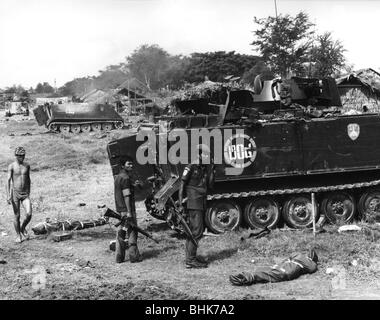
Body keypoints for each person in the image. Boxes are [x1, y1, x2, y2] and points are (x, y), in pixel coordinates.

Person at [178, 144, 215, 269]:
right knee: (197, 232)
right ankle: (191, 260)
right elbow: (182, 185)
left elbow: (210, 185)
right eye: (205, 154)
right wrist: (180, 204)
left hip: (201, 201)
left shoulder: (203, 167)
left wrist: (212, 169)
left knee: (194, 231)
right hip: (194, 202)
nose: (207, 156)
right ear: (199, 154)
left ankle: (190, 258)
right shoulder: (191, 166)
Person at [229, 249, 318, 286]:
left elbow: (286, 258)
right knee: (269, 274)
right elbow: (312, 269)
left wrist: (278, 264)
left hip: (284, 266)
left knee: (266, 271)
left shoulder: (297, 254)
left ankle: (247, 277)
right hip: (288, 270)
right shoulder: (311, 264)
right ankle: (248, 277)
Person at [114, 158, 142, 263]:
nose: (131, 165)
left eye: (132, 163)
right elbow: (126, 196)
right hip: (127, 210)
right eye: (129, 163)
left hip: (120, 210)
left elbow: (121, 192)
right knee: (132, 232)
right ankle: (134, 256)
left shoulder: (118, 177)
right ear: (123, 166)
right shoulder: (125, 178)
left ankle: (119, 257)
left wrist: (134, 186)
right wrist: (129, 212)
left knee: (121, 233)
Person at [6, 147, 32, 243]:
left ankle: (22, 228)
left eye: (23, 155)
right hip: (15, 194)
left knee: (29, 214)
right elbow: (8, 180)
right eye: (19, 156)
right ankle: (18, 235)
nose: (22, 157)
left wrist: (29, 191)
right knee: (17, 215)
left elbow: (28, 179)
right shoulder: (11, 166)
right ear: (16, 156)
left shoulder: (27, 166)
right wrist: (8, 195)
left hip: (25, 194)